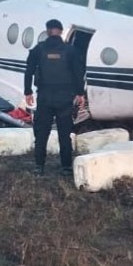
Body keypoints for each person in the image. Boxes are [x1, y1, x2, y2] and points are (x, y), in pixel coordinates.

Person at [24, 18, 86, 176]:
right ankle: (66, 167)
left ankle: (39, 167)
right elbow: (78, 74)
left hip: (44, 98)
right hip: (65, 99)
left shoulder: (39, 49)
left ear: (47, 31)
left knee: (42, 133)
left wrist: (28, 92)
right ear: (60, 31)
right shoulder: (70, 50)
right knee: (64, 135)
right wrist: (80, 94)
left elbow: (29, 71)